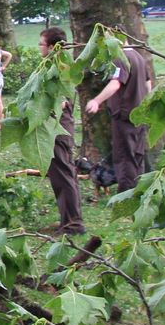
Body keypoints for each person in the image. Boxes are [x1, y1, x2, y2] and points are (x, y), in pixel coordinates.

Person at [84, 46, 153, 194]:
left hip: (125, 115)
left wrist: (96, 101)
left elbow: (116, 83)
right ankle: (139, 191)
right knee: (137, 155)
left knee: (124, 156)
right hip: (140, 114)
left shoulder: (120, 59)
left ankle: (127, 196)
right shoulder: (139, 57)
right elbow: (148, 84)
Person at [39, 27, 84, 236]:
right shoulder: (55, 65)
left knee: (64, 174)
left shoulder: (61, 68)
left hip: (59, 128)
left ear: (51, 46)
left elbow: (61, 101)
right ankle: (67, 219)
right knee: (60, 175)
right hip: (54, 127)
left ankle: (73, 224)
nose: (39, 47)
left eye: (41, 44)